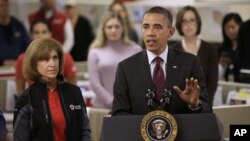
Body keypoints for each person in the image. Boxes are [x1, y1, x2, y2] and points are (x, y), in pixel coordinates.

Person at [112, 6, 212, 116]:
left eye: (157, 27)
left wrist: (195, 105)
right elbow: (119, 113)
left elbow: (207, 109)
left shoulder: (190, 63)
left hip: (183, 132)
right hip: (138, 132)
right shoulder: (126, 68)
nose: (150, 33)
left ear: (170, 32)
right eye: (146, 27)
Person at [13, 38, 90, 141]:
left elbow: (84, 130)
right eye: (45, 59)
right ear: (34, 64)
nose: (52, 64)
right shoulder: (26, 99)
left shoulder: (74, 92)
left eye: (55, 58)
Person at [88, 12, 141, 109]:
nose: (113, 30)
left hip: (130, 106)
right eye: (109, 27)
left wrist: (125, 103)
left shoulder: (135, 49)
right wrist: (112, 102)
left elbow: (139, 80)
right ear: (103, 29)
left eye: (117, 26)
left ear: (123, 29)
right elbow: (94, 83)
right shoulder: (95, 51)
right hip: (102, 108)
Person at [15, 19, 77, 97]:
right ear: (31, 35)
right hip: (34, 103)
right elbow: (20, 91)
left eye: (44, 32)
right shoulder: (22, 59)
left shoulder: (65, 57)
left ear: (50, 34)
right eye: (36, 32)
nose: (40, 35)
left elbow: (73, 88)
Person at [172, 5, 218, 105]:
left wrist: (202, 104)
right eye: (184, 21)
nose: (188, 25)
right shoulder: (172, 50)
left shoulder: (210, 49)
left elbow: (212, 83)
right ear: (180, 24)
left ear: (198, 23)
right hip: (178, 106)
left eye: (192, 20)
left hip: (203, 105)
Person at [0, 0, 30, 66]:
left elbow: (28, 46)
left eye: (6, 5)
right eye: (1, 6)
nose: (4, 8)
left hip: (18, 66)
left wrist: (21, 60)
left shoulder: (18, 25)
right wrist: (2, 62)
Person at [218, 13, 242, 82]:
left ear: (240, 26)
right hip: (228, 85)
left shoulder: (246, 47)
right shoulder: (222, 48)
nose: (230, 31)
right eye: (227, 28)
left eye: (233, 27)